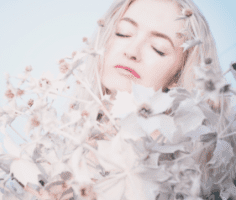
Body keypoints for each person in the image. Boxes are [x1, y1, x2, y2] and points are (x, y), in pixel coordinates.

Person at [60, 0, 233, 199]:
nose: (132, 51)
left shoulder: (185, 183)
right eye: (123, 33)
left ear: (178, 77)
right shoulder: (56, 153)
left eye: (158, 48)